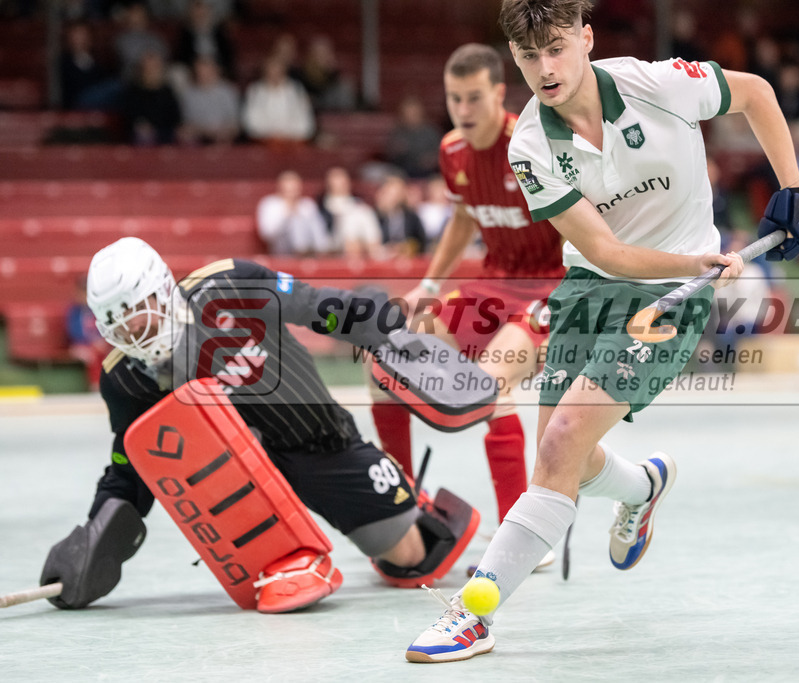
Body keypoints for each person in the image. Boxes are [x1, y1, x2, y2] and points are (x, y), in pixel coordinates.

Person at [405, 0, 799, 662]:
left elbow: (757, 93)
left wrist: (793, 188)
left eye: (558, 48)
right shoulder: (530, 146)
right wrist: (702, 259)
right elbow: (608, 251)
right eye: (529, 55)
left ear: (586, 39)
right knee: (558, 456)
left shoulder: (654, 84)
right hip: (594, 288)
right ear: (514, 59)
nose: (546, 67)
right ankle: (644, 485)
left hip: (672, 297)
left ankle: (475, 612)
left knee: (565, 439)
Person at [40, 237, 479, 612]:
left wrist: (388, 328)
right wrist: (93, 535)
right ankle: (289, 558)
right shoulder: (123, 379)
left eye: (138, 309)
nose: (134, 328)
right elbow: (131, 463)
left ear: (163, 289)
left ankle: (407, 501)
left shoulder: (231, 283)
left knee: (413, 559)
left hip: (321, 441)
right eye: (117, 321)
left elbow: (314, 306)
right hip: (235, 480)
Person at [369, 43, 566, 532]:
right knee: (384, 368)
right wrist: (430, 283)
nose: (462, 110)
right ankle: (401, 512)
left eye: (474, 98)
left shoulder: (533, 143)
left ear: (499, 93)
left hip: (552, 287)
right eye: (454, 98)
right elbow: (462, 217)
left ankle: (522, 533)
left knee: (488, 385)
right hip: (494, 284)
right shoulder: (451, 149)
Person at [241, 56, 316, 144]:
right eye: (271, 69)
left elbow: (306, 123)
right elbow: (250, 122)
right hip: (262, 144)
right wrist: (271, 134)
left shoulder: (296, 90)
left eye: (278, 69)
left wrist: (286, 135)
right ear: (265, 71)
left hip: (293, 143)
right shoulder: (255, 90)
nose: (274, 73)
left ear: (284, 71)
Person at [257, 170, 332, 255]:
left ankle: (320, 251)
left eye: (295, 188)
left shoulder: (307, 204)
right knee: (296, 221)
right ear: (281, 187)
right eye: (289, 189)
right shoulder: (270, 203)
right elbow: (267, 234)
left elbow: (318, 229)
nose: (292, 192)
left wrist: (323, 247)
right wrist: (288, 213)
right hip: (282, 250)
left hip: (311, 249)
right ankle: (302, 251)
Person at [317, 166, 384, 260]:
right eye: (336, 179)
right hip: (335, 250)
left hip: (365, 249)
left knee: (359, 212)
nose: (340, 183)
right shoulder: (321, 209)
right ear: (328, 183)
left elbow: (374, 237)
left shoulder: (361, 207)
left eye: (342, 179)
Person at [121, 51, 182, 145]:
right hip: (143, 130)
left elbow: (175, 115)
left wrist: (177, 127)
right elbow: (130, 113)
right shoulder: (134, 90)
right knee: (143, 136)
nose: (151, 69)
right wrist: (140, 124)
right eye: (148, 66)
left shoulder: (167, 90)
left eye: (155, 66)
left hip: (166, 129)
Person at [178, 55, 240, 145]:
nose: (202, 73)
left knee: (226, 136)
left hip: (221, 134)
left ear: (215, 70)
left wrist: (223, 131)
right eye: (199, 70)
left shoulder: (228, 91)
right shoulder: (189, 93)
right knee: (184, 135)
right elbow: (186, 122)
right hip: (197, 134)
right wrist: (204, 130)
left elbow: (234, 123)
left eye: (206, 69)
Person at [384, 96, 443, 179]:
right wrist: (397, 150)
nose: (411, 115)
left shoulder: (431, 132)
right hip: (402, 172)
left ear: (420, 112)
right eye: (408, 112)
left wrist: (431, 160)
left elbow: (441, 155)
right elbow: (390, 154)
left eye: (414, 112)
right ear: (403, 114)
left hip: (428, 173)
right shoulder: (398, 132)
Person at [373, 174, 428, 257]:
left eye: (398, 192)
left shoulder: (412, 218)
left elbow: (421, 242)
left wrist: (405, 248)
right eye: (391, 192)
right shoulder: (377, 217)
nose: (394, 196)